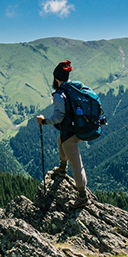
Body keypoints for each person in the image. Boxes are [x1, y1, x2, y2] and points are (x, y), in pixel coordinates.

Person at [36, 60, 90, 209]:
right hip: (79, 128)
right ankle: (62, 168)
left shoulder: (60, 94)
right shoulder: (73, 88)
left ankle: (82, 196)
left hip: (71, 134)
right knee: (60, 140)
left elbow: (59, 117)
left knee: (76, 164)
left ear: (56, 78)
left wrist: (44, 121)